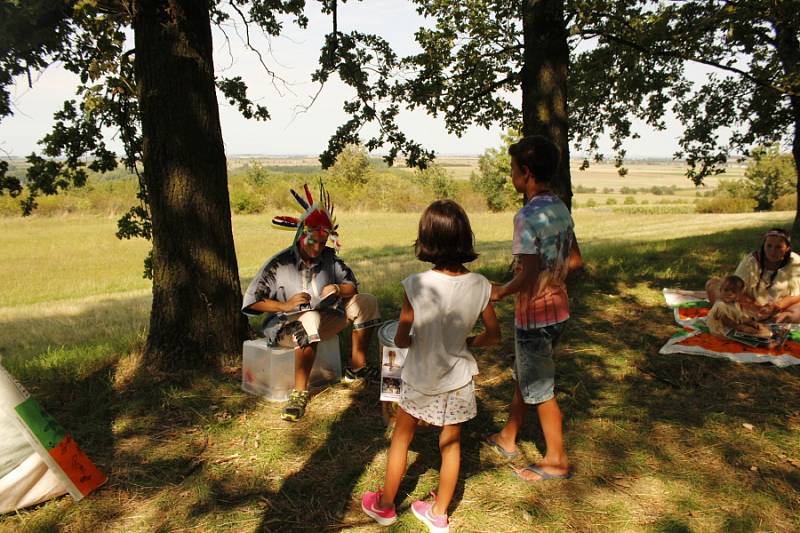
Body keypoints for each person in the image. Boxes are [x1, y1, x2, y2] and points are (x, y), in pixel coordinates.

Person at [361, 200, 501, 532]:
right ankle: (438, 514)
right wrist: (468, 343)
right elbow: (493, 336)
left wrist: (412, 341)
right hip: (459, 380)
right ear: (465, 237)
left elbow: (403, 339)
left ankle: (384, 505)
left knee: (401, 439)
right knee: (451, 444)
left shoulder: (416, 284)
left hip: (420, 377)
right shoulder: (481, 285)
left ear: (426, 239)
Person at [485, 135, 582, 483]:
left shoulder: (526, 217)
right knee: (527, 374)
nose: (511, 175)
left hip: (534, 318)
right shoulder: (559, 207)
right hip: (559, 311)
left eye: (513, 169)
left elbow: (525, 276)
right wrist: (551, 277)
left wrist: (499, 292)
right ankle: (509, 437)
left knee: (540, 388)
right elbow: (575, 260)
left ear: (526, 173)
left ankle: (556, 459)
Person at [242, 182, 381, 422]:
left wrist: (337, 288)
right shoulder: (279, 263)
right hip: (286, 328)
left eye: (322, 242)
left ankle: (357, 368)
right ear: (301, 236)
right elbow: (252, 302)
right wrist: (284, 306)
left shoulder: (329, 258)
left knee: (366, 302)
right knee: (309, 317)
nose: (318, 248)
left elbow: (352, 287)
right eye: (312, 242)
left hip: (324, 318)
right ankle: (300, 393)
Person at [706, 228, 800, 322]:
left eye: (778, 247)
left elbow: (797, 294)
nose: (772, 251)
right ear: (764, 246)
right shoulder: (751, 261)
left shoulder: (795, 261)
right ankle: (742, 317)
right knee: (712, 284)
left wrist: (776, 306)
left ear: (787, 248)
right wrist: (754, 307)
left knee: (794, 312)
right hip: (748, 306)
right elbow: (735, 288)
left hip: (780, 308)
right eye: (769, 246)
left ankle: (775, 320)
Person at [705, 275, 771, 338]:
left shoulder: (735, 304)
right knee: (748, 336)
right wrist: (743, 328)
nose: (729, 293)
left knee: (760, 331)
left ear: (739, 294)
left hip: (732, 327)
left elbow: (741, 317)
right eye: (726, 290)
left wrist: (753, 323)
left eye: (734, 291)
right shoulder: (720, 305)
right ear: (720, 290)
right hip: (719, 329)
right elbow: (727, 322)